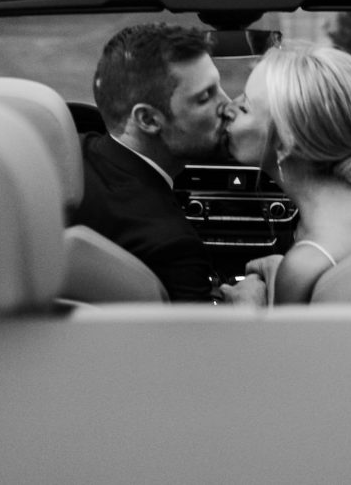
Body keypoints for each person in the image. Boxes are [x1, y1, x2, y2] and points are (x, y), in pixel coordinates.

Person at [71, 22, 264, 303]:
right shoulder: (172, 246)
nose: (229, 104)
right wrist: (250, 307)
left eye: (219, 87)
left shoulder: (68, 153)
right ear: (148, 120)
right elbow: (199, 347)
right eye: (205, 97)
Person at [219, 43, 351, 305]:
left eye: (245, 106)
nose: (228, 107)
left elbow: (289, 347)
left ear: (285, 142)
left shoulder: (307, 265)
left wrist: (249, 310)